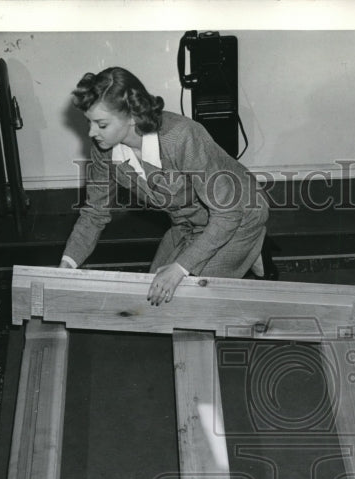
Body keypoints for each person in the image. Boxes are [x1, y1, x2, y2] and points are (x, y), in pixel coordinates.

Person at [59, 67, 272, 306]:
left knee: (185, 300)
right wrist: (67, 265)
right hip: (189, 223)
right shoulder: (103, 150)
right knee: (152, 296)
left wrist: (179, 268)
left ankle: (253, 246)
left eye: (101, 124)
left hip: (239, 214)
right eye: (89, 122)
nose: (91, 132)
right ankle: (251, 254)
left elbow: (228, 214)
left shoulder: (181, 136)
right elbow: (94, 214)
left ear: (131, 116)